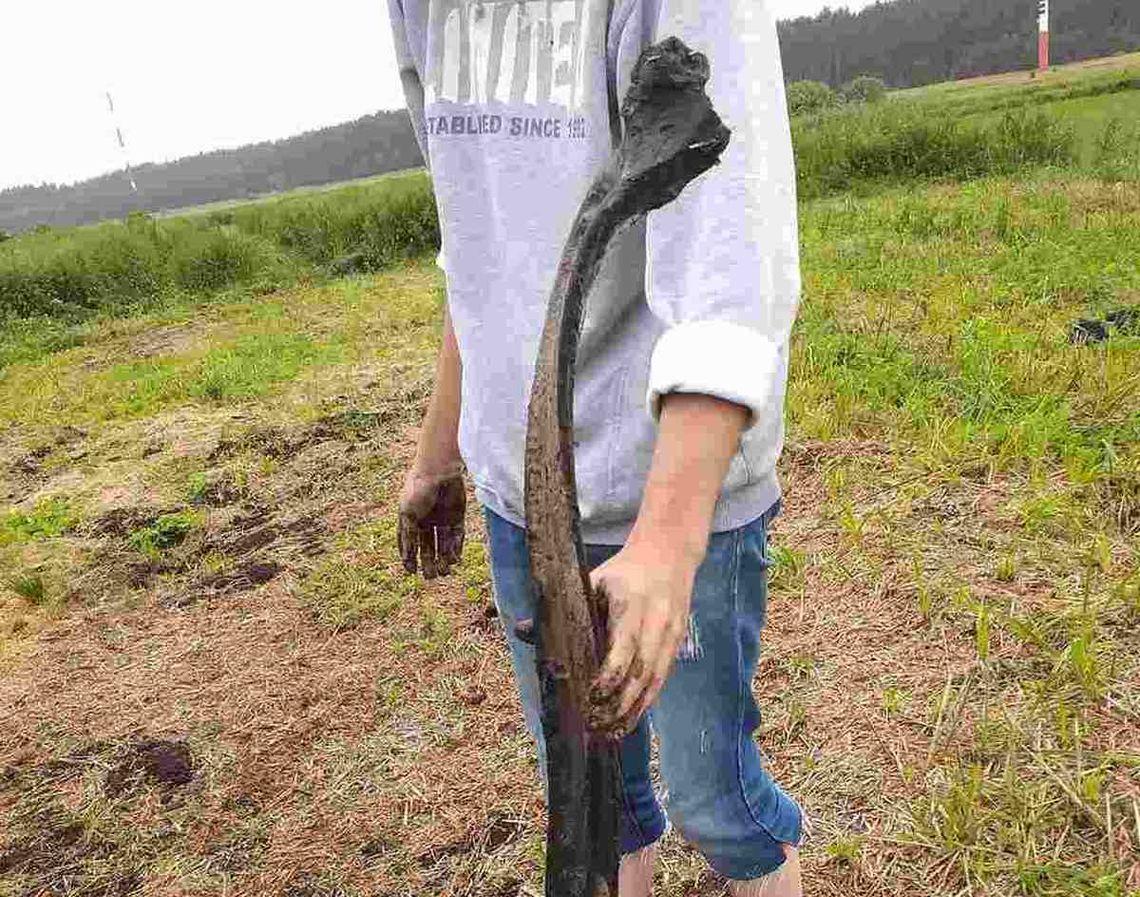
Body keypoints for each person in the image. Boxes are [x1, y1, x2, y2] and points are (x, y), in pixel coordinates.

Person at [387, 1, 804, 893]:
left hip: (675, 484)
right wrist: (442, 448)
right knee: (589, 806)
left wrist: (666, 540)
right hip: (521, 500)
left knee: (714, 802)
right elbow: (484, 244)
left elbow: (734, 263)